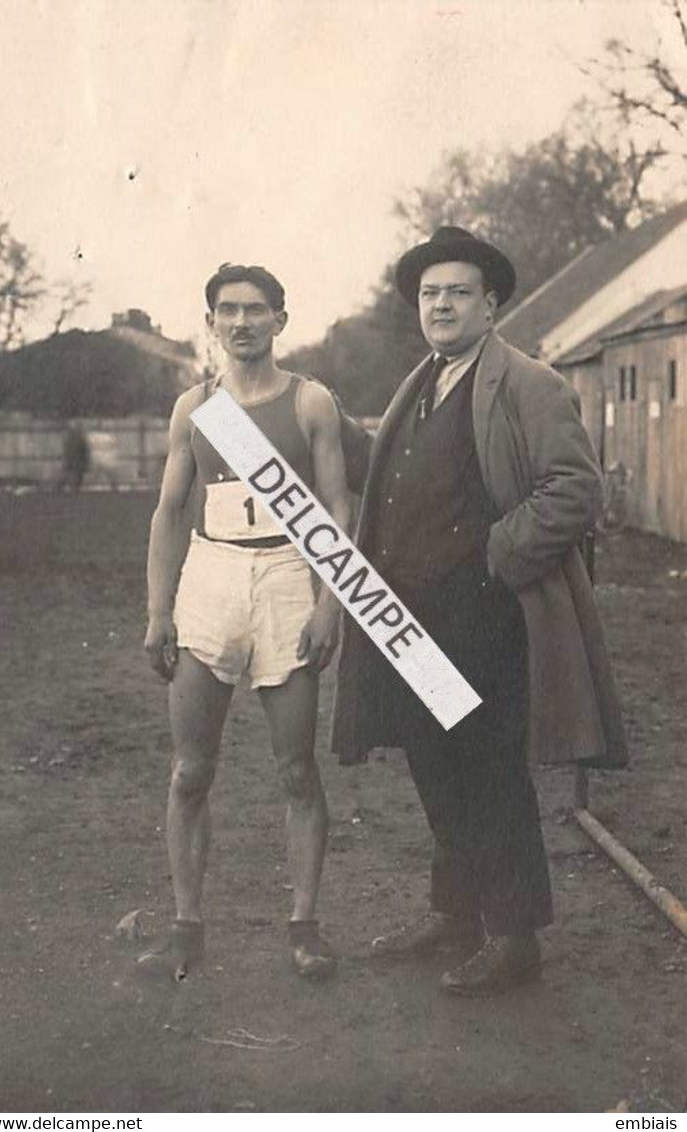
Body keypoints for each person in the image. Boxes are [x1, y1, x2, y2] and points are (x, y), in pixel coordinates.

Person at [332, 226, 627, 996]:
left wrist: (496, 556)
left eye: (458, 291)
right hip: (415, 618)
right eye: (430, 294)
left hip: (488, 616)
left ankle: (514, 937)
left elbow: (574, 489)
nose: (441, 304)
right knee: (436, 761)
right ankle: (456, 914)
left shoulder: (526, 382)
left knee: (488, 769)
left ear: (490, 304)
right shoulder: (419, 383)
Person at [141, 263, 352, 981]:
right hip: (211, 577)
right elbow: (169, 512)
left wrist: (331, 603)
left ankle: (304, 925)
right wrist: (156, 611)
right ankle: (186, 927)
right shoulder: (194, 408)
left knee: (297, 768)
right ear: (211, 323)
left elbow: (334, 508)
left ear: (280, 320)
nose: (241, 322)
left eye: (256, 309)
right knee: (191, 769)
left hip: (290, 577)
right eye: (227, 310)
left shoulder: (312, 402)